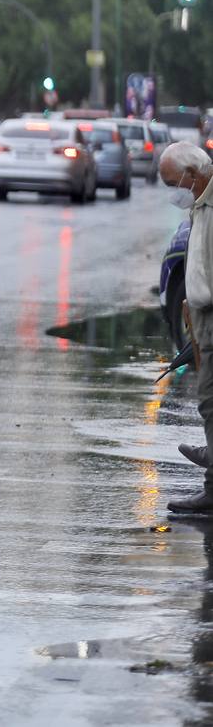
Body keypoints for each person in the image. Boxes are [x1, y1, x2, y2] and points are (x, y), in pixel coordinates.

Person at [161, 142, 213, 513]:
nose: (172, 191)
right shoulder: (199, 205)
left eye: (172, 182)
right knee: (210, 400)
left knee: (211, 399)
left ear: (192, 175)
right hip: (202, 313)